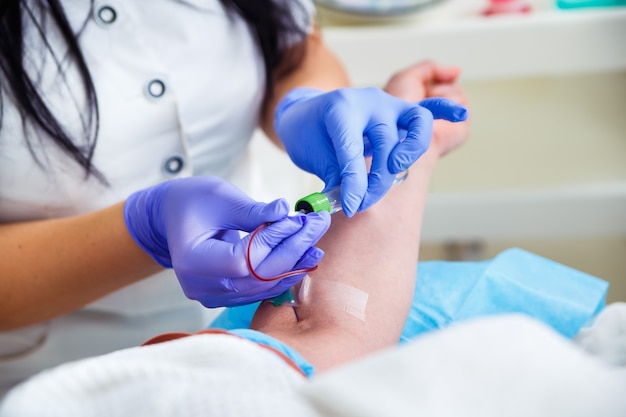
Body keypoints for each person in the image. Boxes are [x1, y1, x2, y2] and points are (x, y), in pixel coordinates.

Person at [0, 0, 467, 395]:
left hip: (252, 293)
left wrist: (305, 102)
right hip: (49, 367)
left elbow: (295, 46)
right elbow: (330, 344)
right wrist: (144, 230)